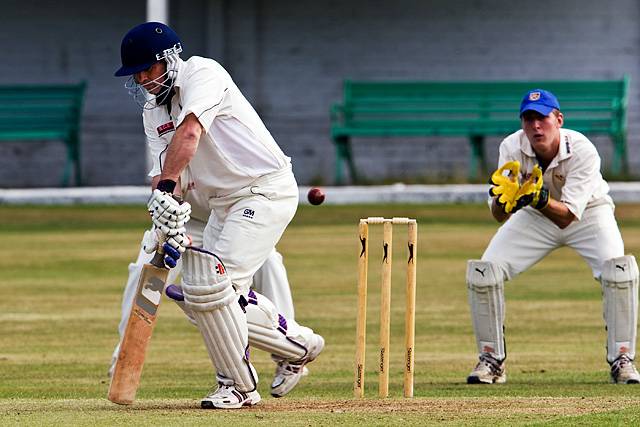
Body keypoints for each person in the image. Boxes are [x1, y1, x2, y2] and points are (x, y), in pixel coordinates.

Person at [114, 22, 324, 409]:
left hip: (262, 190)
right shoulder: (153, 110)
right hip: (221, 204)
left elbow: (189, 135)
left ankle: (238, 386)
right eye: (136, 73)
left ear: (169, 59)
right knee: (199, 299)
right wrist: (166, 214)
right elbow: (165, 174)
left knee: (213, 289)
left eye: (148, 69)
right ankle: (298, 345)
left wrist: (165, 189)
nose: (142, 79)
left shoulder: (204, 73)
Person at [466, 88, 640, 385]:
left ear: (558, 119)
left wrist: (539, 198)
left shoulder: (583, 150)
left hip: (589, 215)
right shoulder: (511, 147)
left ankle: (622, 359)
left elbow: (569, 216)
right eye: (528, 119)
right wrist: (503, 201)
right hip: (534, 216)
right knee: (485, 272)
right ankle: (491, 361)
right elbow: (499, 215)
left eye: (542, 118)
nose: (536, 126)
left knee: (619, 271)